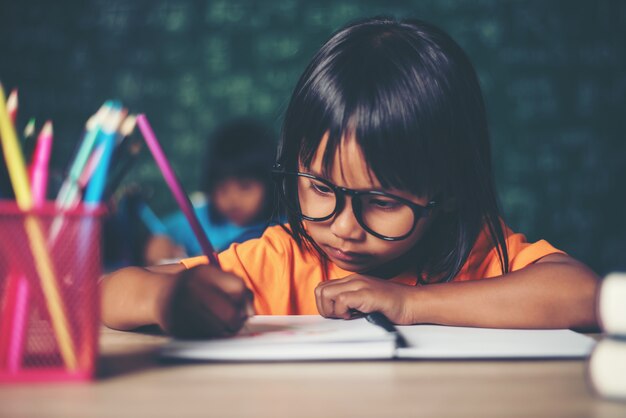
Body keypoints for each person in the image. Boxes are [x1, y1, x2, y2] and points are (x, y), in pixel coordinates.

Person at [101, 17, 599, 338]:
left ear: (445, 192)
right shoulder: (283, 259)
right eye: (320, 189)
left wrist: (410, 303)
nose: (342, 227)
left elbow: (582, 294)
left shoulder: (473, 253)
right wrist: (167, 299)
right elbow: (105, 293)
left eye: (380, 201)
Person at [143, 118, 279, 265]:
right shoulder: (200, 219)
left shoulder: (283, 229)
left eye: (245, 187)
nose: (232, 199)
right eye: (222, 189)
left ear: (271, 184)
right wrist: (159, 244)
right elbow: (160, 233)